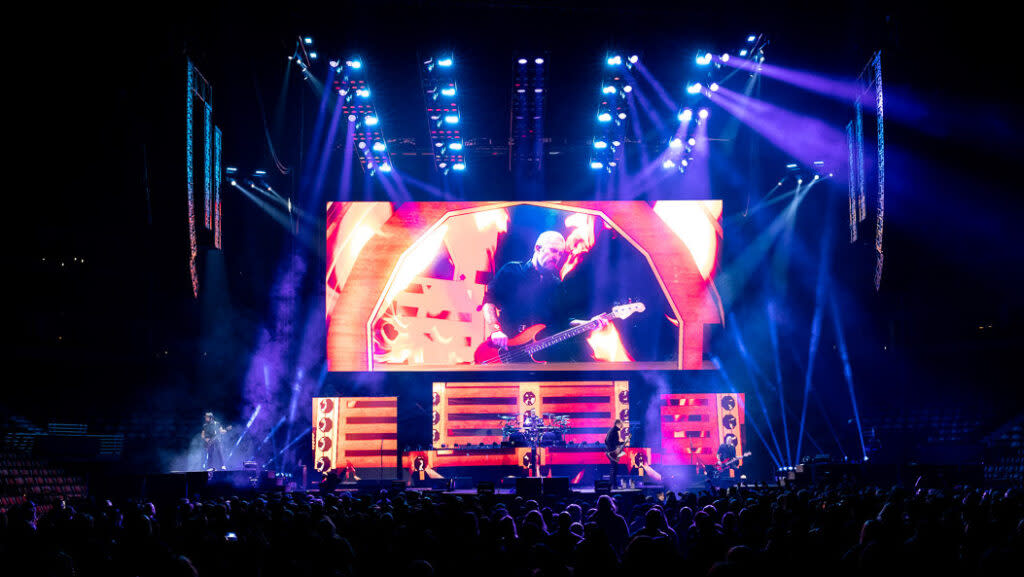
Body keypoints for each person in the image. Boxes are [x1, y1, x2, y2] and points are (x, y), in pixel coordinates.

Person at [482, 231, 605, 362]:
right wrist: (495, 329)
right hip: (504, 350)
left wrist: (589, 323)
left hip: (536, 357)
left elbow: (563, 320)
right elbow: (489, 301)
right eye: (553, 250)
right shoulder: (512, 271)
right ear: (538, 248)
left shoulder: (556, 284)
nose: (556, 257)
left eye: (560, 253)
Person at [604, 419, 626, 488]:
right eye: (621, 424)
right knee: (614, 469)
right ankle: (614, 485)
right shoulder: (614, 431)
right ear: (618, 424)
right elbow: (613, 442)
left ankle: (612, 485)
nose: (622, 425)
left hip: (611, 452)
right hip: (612, 452)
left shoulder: (612, 431)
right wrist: (622, 443)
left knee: (613, 469)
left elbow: (606, 441)